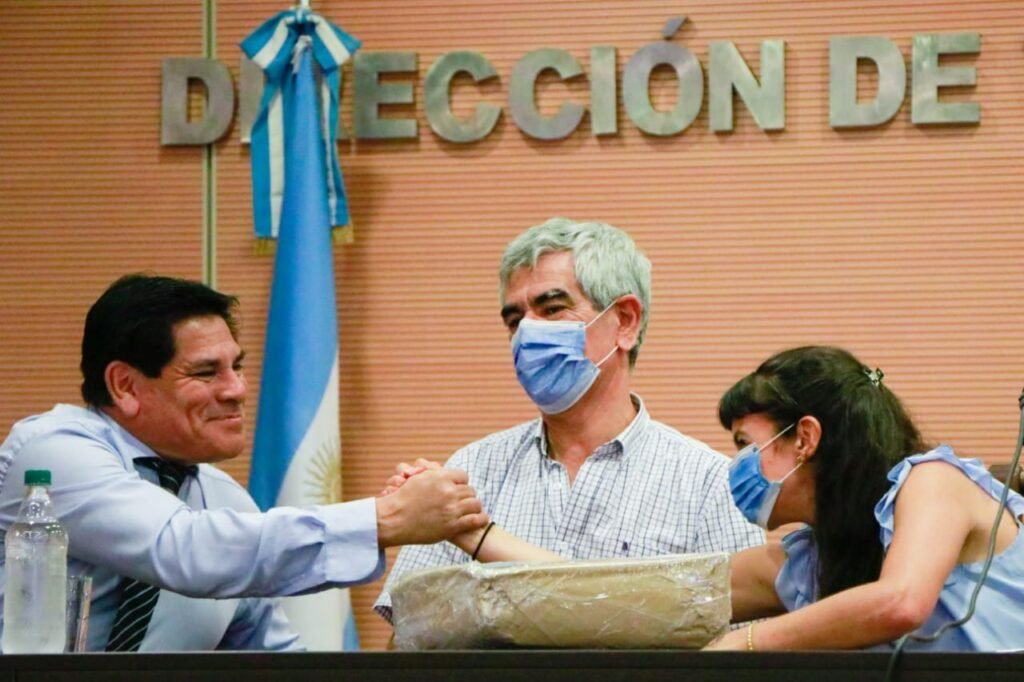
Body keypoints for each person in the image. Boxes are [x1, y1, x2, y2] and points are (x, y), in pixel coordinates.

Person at [0, 274, 487, 652]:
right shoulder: (52, 454)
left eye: (237, 366)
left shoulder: (223, 498)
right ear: (125, 386)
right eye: (206, 372)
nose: (237, 389)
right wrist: (386, 519)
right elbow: (182, 550)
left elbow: (270, 656)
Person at [374, 218, 764, 624]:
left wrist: (478, 537)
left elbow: (749, 641)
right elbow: (408, 634)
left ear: (625, 321)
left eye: (552, 309)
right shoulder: (470, 473)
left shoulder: (707, 484)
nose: (527, 333)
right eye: (514, 321)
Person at [705, 345, 1024, 651]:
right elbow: (692, 589)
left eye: (744, 443)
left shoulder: (935, 481)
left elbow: (901, 602)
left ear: (805, 438)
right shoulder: (810, 559)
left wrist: (748, 641)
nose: (736, 464)